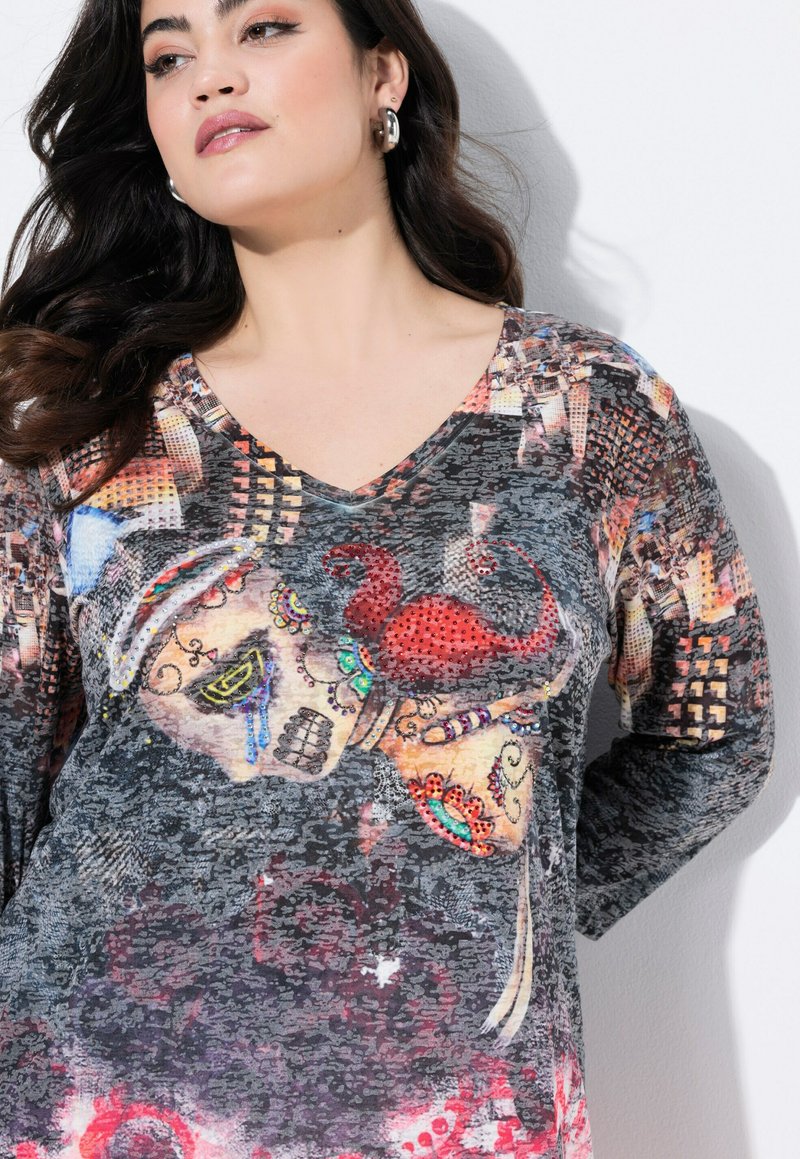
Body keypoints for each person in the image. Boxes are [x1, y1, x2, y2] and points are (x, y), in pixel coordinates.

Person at [0, 0, 774, 1154]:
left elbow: (711, 738)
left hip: (460, 1117)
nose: (209, 75)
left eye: (261, 27)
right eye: (168, 56)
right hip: (96, 1107)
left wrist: (488, 896)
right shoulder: (80, 425)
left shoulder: (582, 411)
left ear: (383, 76)